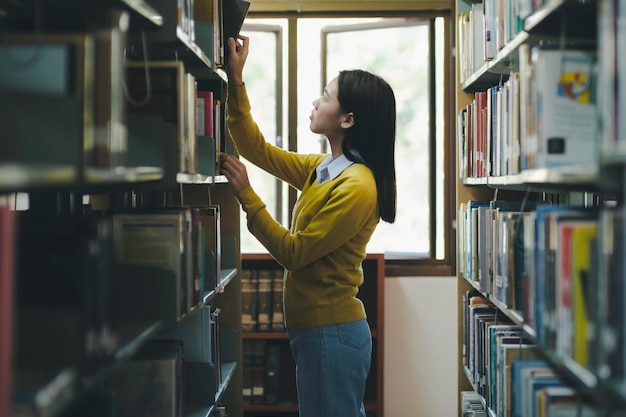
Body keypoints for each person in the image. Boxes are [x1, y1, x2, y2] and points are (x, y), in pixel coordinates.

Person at [220, 34, 397, 417]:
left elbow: (294, 253)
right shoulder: (323, 169)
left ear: (348, 119)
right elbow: (257, 150)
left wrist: (246, 195)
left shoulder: (357, 186)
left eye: (326, 96)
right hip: (317, 332)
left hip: (331, 332)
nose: (316, 102)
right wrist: (236, 82)